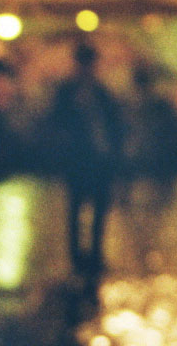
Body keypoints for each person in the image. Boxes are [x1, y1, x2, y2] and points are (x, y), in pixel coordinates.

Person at [46, 41, 125, 277]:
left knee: (99, 209)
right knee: (76, 208)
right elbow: (56, 121)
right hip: (78, 160)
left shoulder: (102, 92)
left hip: (100, 159)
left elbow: (115, 124)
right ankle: (76, 256)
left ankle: (95, 253)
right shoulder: (67, 92)